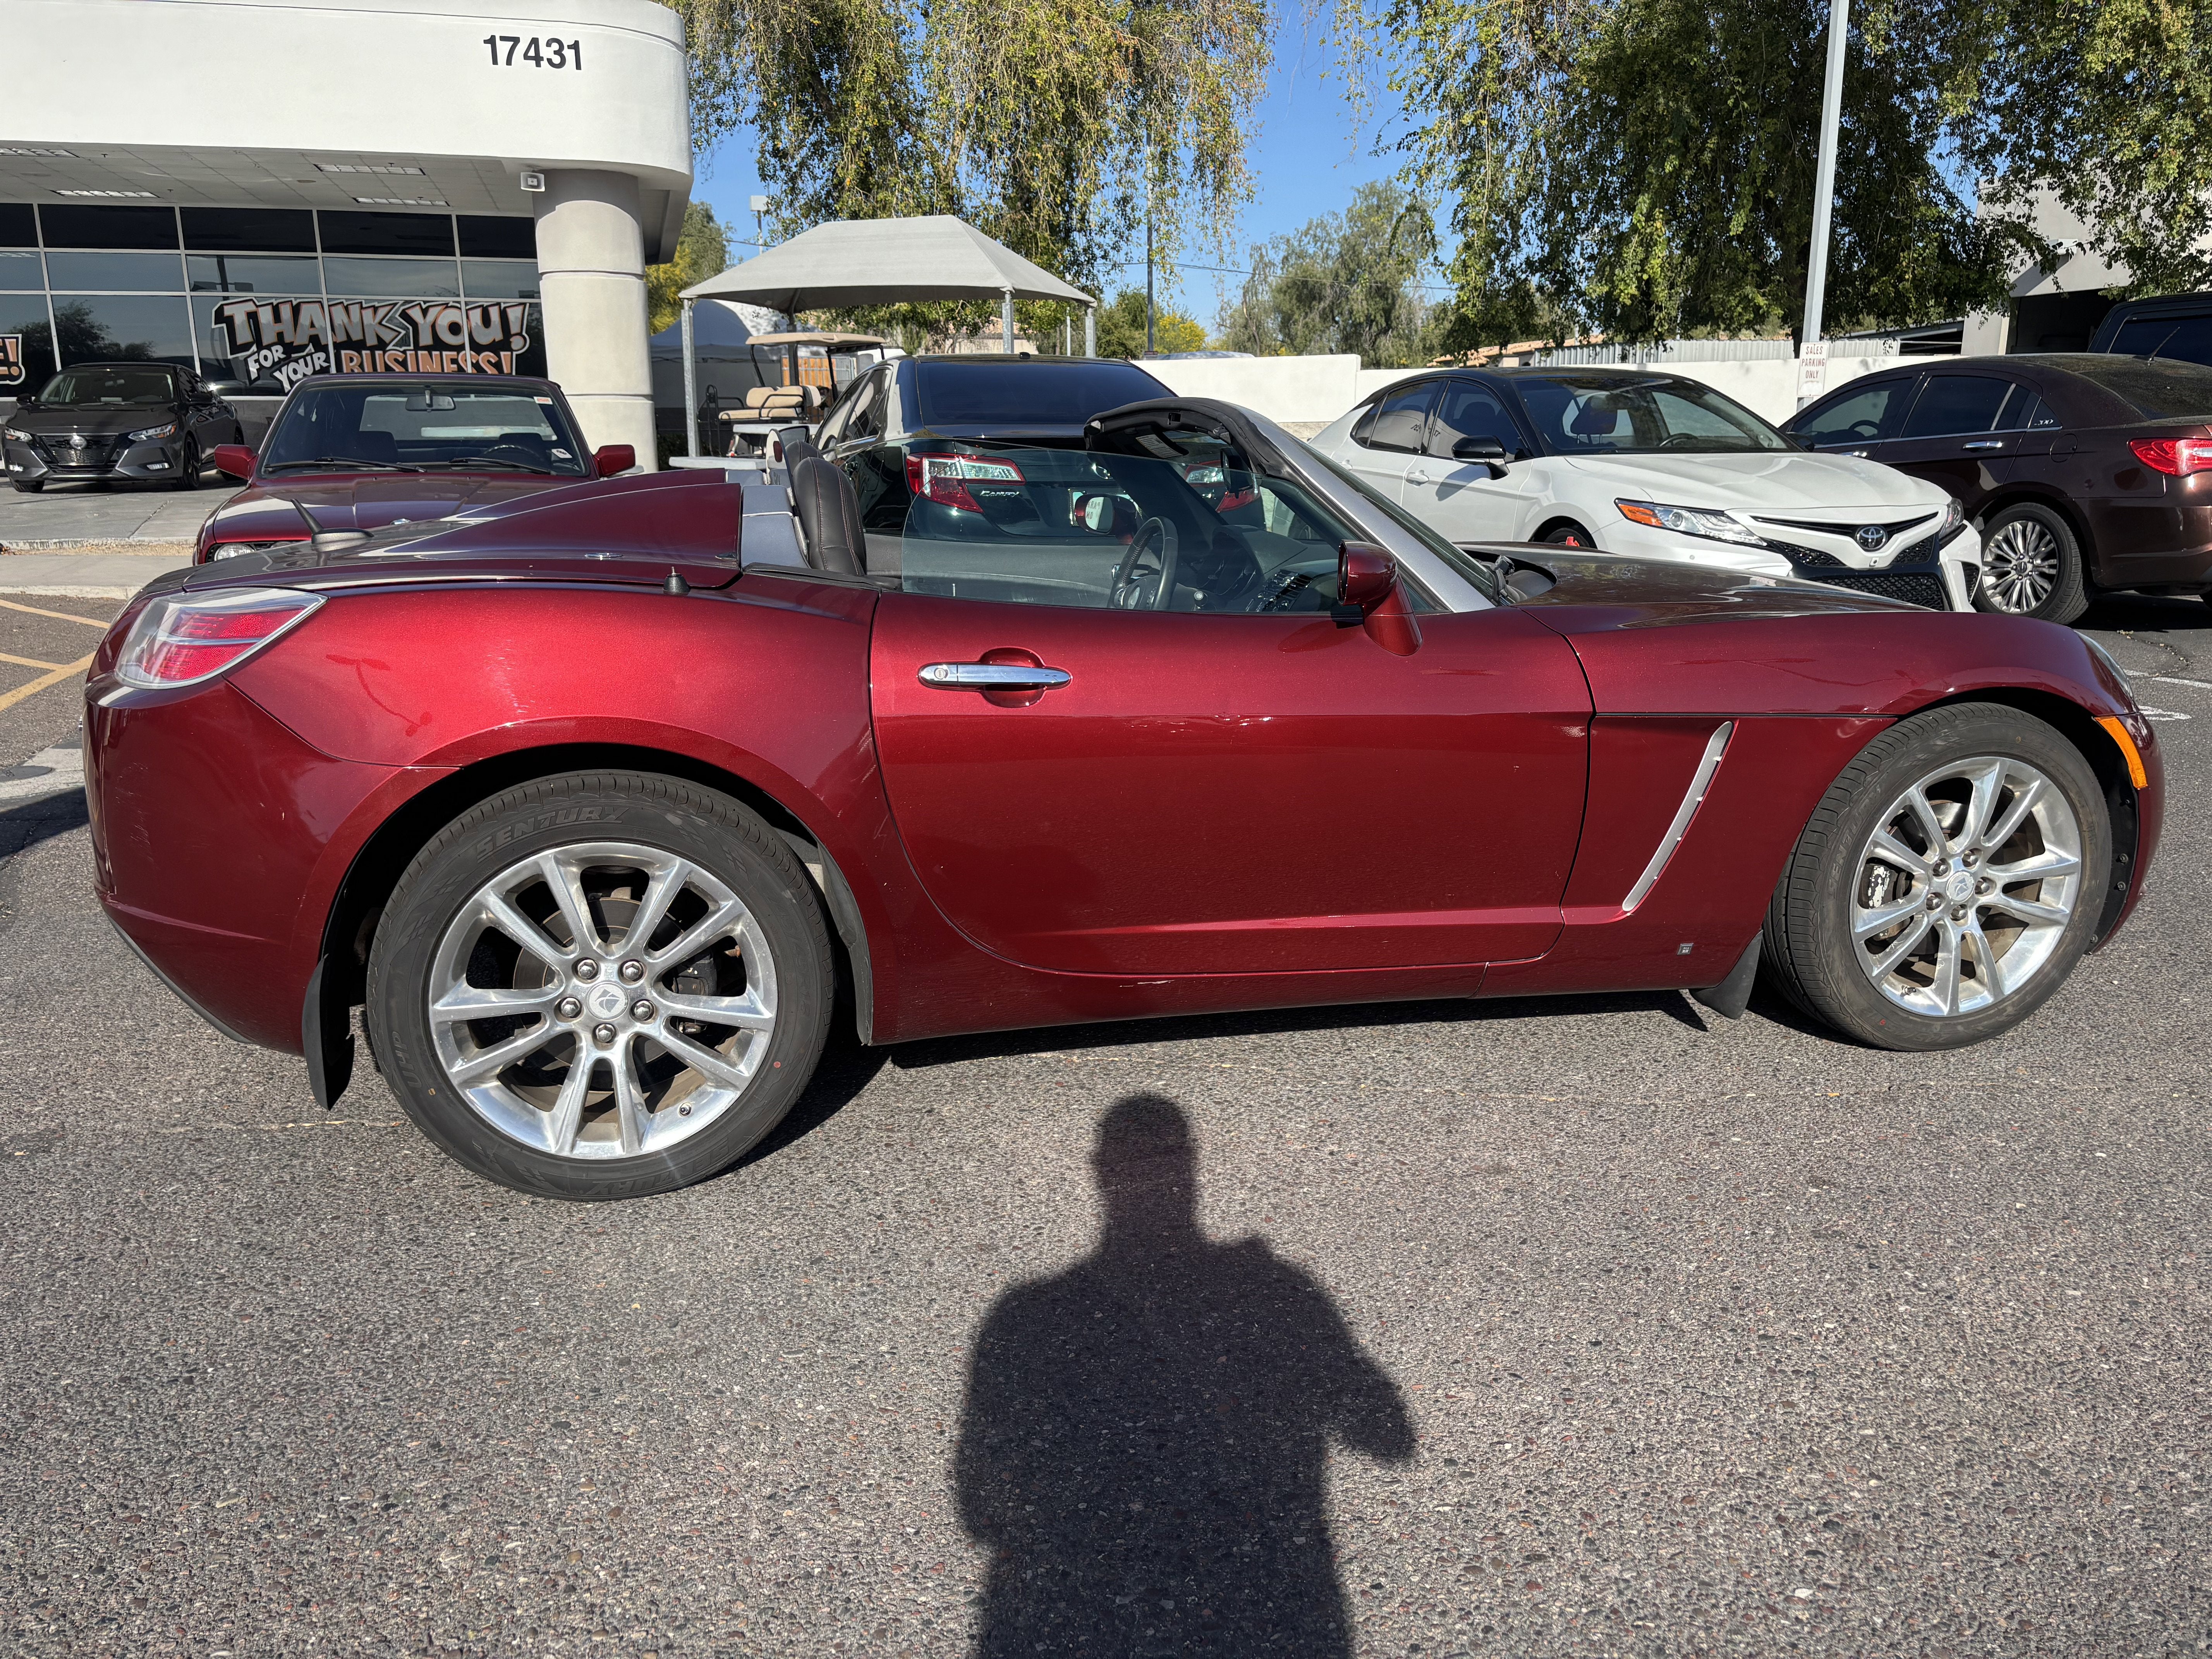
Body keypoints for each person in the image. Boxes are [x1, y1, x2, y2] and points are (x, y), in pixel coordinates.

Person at [954, 1094, 1414, 1656]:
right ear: (1193, 1166)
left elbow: (980, 1507)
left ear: (1100, 1172)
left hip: (1089, 1614)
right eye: (1151, 1159)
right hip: (1265, 1603)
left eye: (1161, 1158)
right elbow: (1386, 1435)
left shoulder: (1028, 1317)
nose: (1155, 1175)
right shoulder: (1272, 1291)